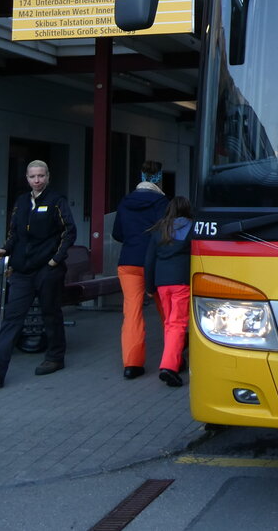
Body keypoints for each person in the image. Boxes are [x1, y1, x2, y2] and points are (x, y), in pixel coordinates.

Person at [0, 160, 76, 388]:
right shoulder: (21, 202)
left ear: (48, 176)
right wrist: (5, 249)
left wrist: (55, 260)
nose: (37, 180)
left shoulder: (56, 201)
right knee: (12, 317)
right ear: (27, 178)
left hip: (48, 269)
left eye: (41, 176)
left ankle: (55, 357)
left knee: (50, 313)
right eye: (32, 176)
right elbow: (14, 233)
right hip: (22, 270)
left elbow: (69, 231)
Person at [112, 160, 168, 379]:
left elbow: (117, 233)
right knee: (166, 310)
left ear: (141, 176)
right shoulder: (162, 202)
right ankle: (173, 359)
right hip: (155, 262)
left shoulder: (126, 201)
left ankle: (132, 364)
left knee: (132, 312)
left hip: (129, 262)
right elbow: (166, 233)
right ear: (159, 178)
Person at [144, 195, 193, 387]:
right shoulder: (193, 228)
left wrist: (149, 287)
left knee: (169, 323)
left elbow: (149, 260)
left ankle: (177, 361)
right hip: (181, 282)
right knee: (178, 324)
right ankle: (169, 367)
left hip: (161, 283)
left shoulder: (159, 229)